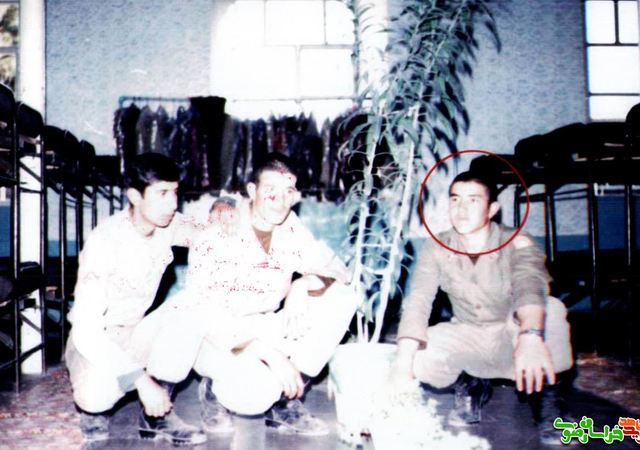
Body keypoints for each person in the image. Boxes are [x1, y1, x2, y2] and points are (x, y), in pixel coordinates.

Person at [148, 152, 357, 436]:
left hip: (263, 325)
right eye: (271, 191)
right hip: (218, 337)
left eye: (288, 192)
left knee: (343, 297)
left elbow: (337, 270)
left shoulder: (290, 226)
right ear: (252, 190)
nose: (280, 201)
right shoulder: (221, 227)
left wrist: (302, 285)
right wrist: (271, 356)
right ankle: (212, 388)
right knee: (253, 397)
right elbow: (201, 307)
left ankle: (286, 401)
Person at [390, 170, 573, 445]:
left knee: (552, 311)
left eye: (473, 200)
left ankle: (550, 404)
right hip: (469, 332)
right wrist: (402, 367)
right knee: (417, 353)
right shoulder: (437, 246)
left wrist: (531, 335)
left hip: (513, 331)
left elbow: (530, 288)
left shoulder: (518, 242)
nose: (461, 209)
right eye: (455, 200)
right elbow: (418, 300)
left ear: (492, 209)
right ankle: (472, 381)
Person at [65, 153, 206, 445]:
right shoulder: (105, 242)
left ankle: (157, 415)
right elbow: (87, 333)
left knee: (192, 305)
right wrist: (140, 380)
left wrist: (223, 209)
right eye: (162, 193)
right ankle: (93, 413)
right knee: (95, 395)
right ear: (134, 196)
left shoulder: (168, 223)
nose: (172, 204)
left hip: (138, 332)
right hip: (100, 340)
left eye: (175, 192)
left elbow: (211, 233)